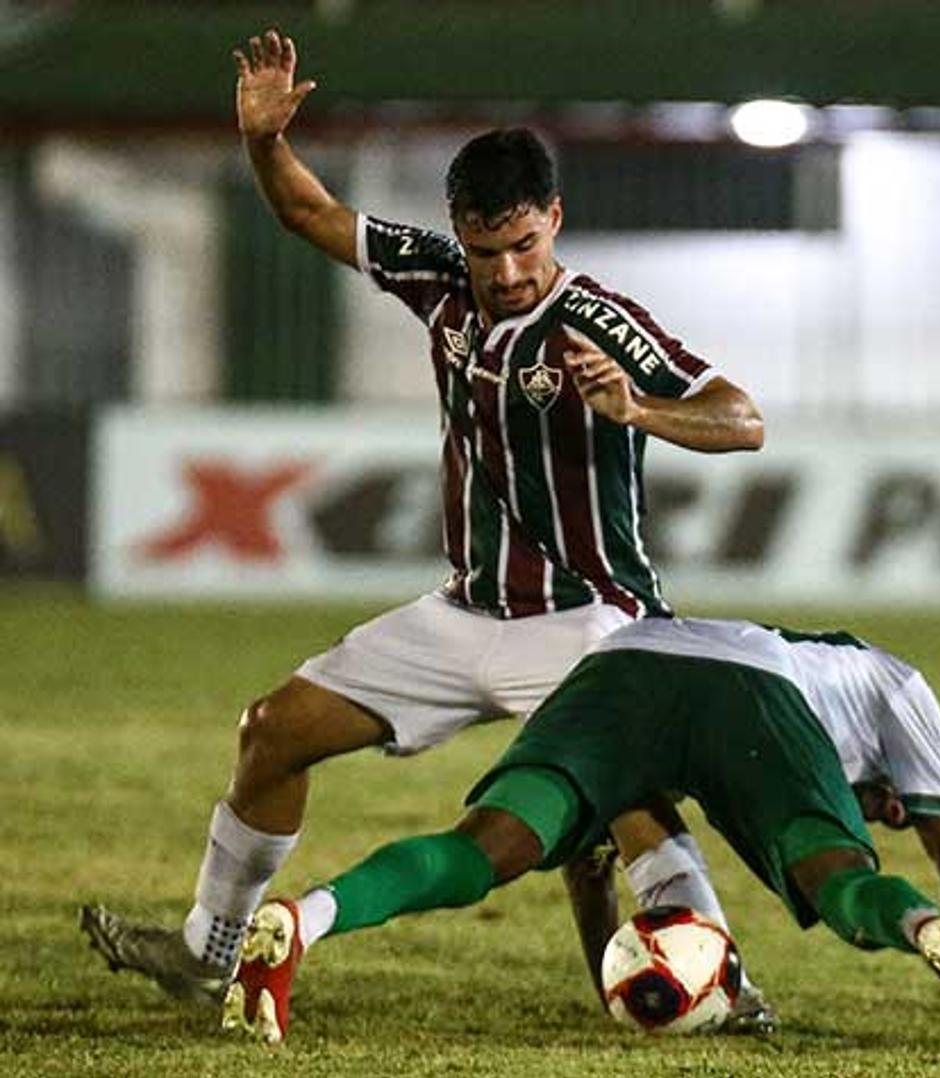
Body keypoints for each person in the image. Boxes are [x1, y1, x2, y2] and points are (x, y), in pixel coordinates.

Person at [80, 27, 764, 1020]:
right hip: (466, 611)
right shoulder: (438, 277)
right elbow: (309, 211)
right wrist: (265, 143)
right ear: (461, 231)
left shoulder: (600, 322)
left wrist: (640, 409)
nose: (510, 272)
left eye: (527, 245)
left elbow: (741, 417)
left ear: (555, 221)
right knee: (272, 732)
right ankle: (207, 950)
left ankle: (724, 984)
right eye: (489, 250)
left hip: (588, 620)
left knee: (631, 797)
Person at [216, 618, 940, 1047]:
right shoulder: (900, 686)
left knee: (486, 846)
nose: (880, 813)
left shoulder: (834, 678)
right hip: (755, 693)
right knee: (836, 880)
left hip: (622, 665)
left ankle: (308, 918)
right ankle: (917, 930)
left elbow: (588, 866)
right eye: (885, 808)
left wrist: (607, 984)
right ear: (894, 792)